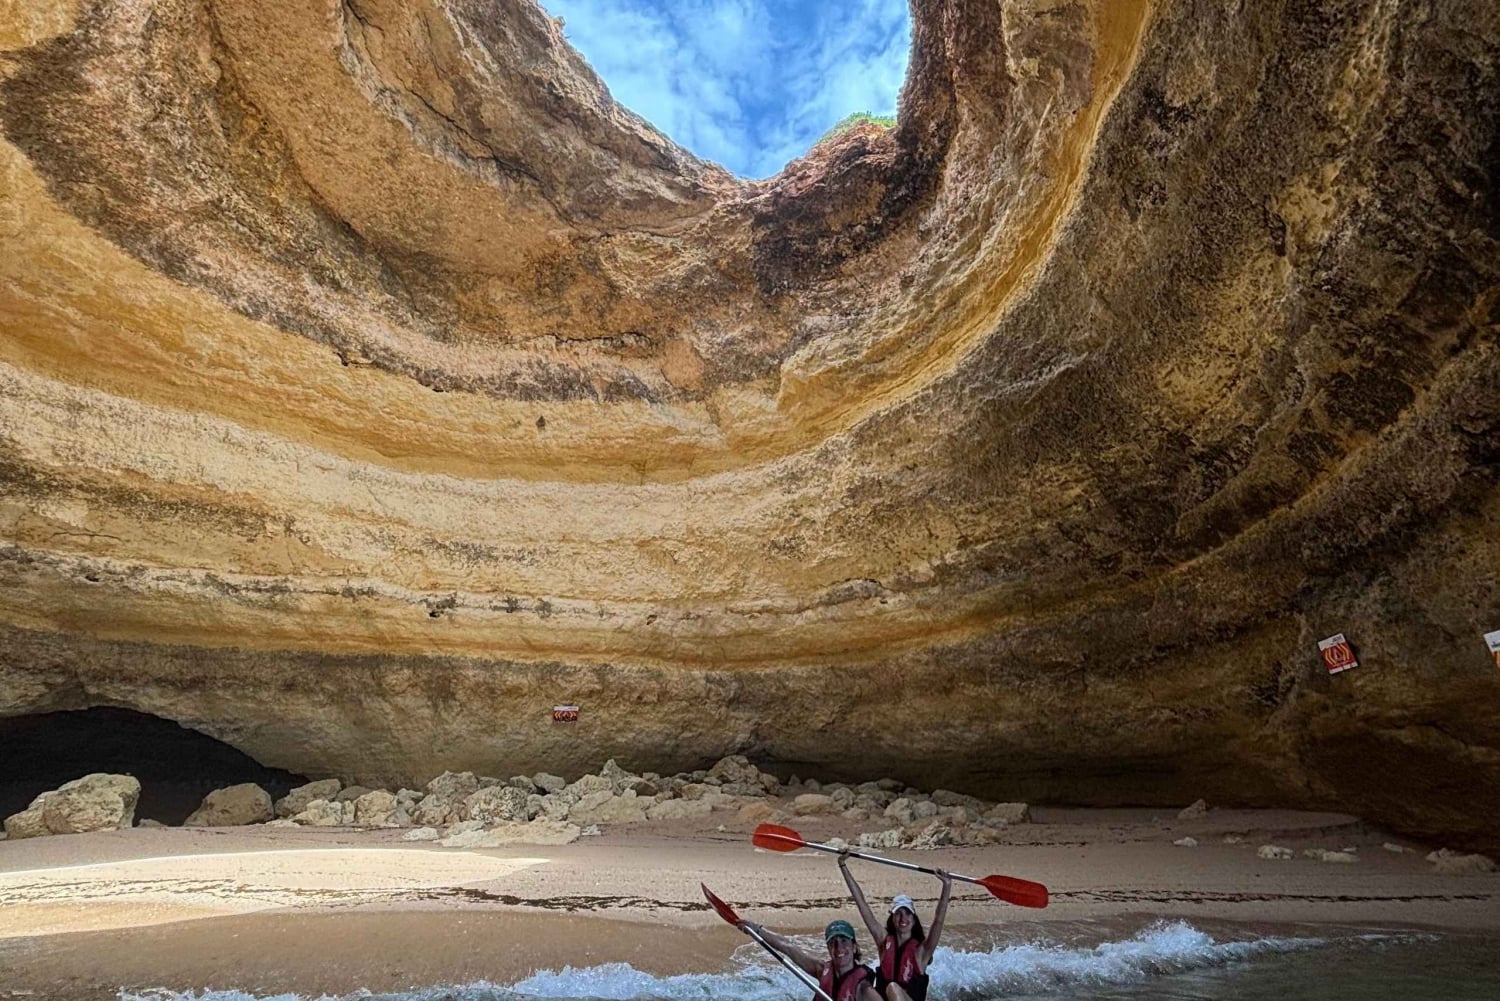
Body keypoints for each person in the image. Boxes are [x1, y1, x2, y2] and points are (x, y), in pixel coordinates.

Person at [838, 850, 953, 1001]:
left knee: (893, 988)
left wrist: (947, 886)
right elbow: (862, 904)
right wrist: (843, 865)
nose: (903, 918)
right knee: (861, 987)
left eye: (907, 913)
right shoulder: (883, 942)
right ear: (892, 918)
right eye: (898, 913)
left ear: (913, 918)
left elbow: (938, 919)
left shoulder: (922, 951)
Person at [742, 917, 882, 1001]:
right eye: (833, 942)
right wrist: (756, 929)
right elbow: (788, 947)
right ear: (828, 948)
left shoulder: (864, 989)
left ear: (854, 947)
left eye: (844, 941)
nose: (839, 948)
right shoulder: (822, 970)